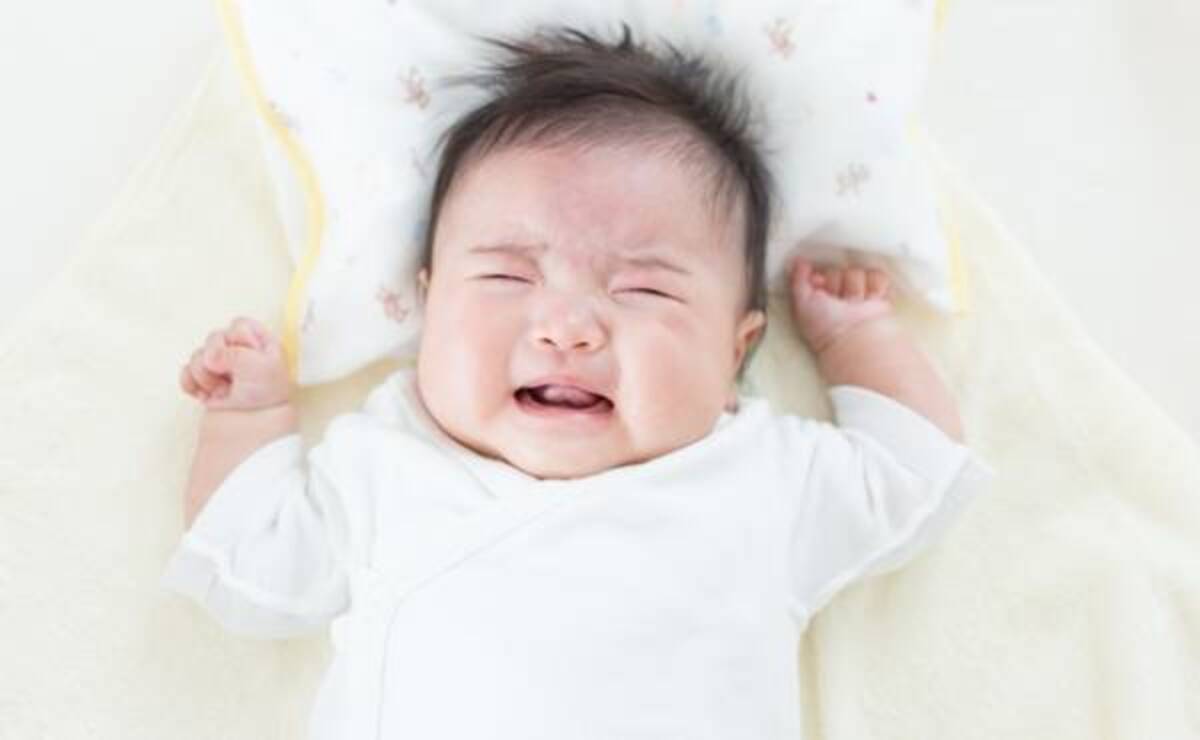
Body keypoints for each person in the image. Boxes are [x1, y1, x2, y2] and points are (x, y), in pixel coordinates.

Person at [166, 24, 992, 739]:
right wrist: (249, 417)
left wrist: (856, 339)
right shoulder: (386, 463)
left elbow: (914, 470)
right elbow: (253, 565)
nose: (566, 328)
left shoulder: (759, 477)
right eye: (507, 277)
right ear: (429, 304)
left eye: (642, 290)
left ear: (735, 349)